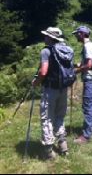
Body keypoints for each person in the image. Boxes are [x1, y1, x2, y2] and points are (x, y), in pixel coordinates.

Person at [32, 27, 69, 160]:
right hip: (63, 88)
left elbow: (43, 72)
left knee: (47, 118)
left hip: (50, 89)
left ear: (50, 38)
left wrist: (35, 82)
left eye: (46, 36)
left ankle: (48, 152)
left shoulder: (46, 51)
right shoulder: (66, 49)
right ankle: (63, 145)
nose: (44, 37)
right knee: (60, 115)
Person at [72, 25, 92, 144]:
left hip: (89, 79)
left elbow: (88, 65)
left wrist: (76, 71)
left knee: (87, 106)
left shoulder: (87, 46)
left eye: (77, 34)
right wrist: (79, 64)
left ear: (82, 34)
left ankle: (86, 135)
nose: (76, 36)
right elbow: (89, 62)